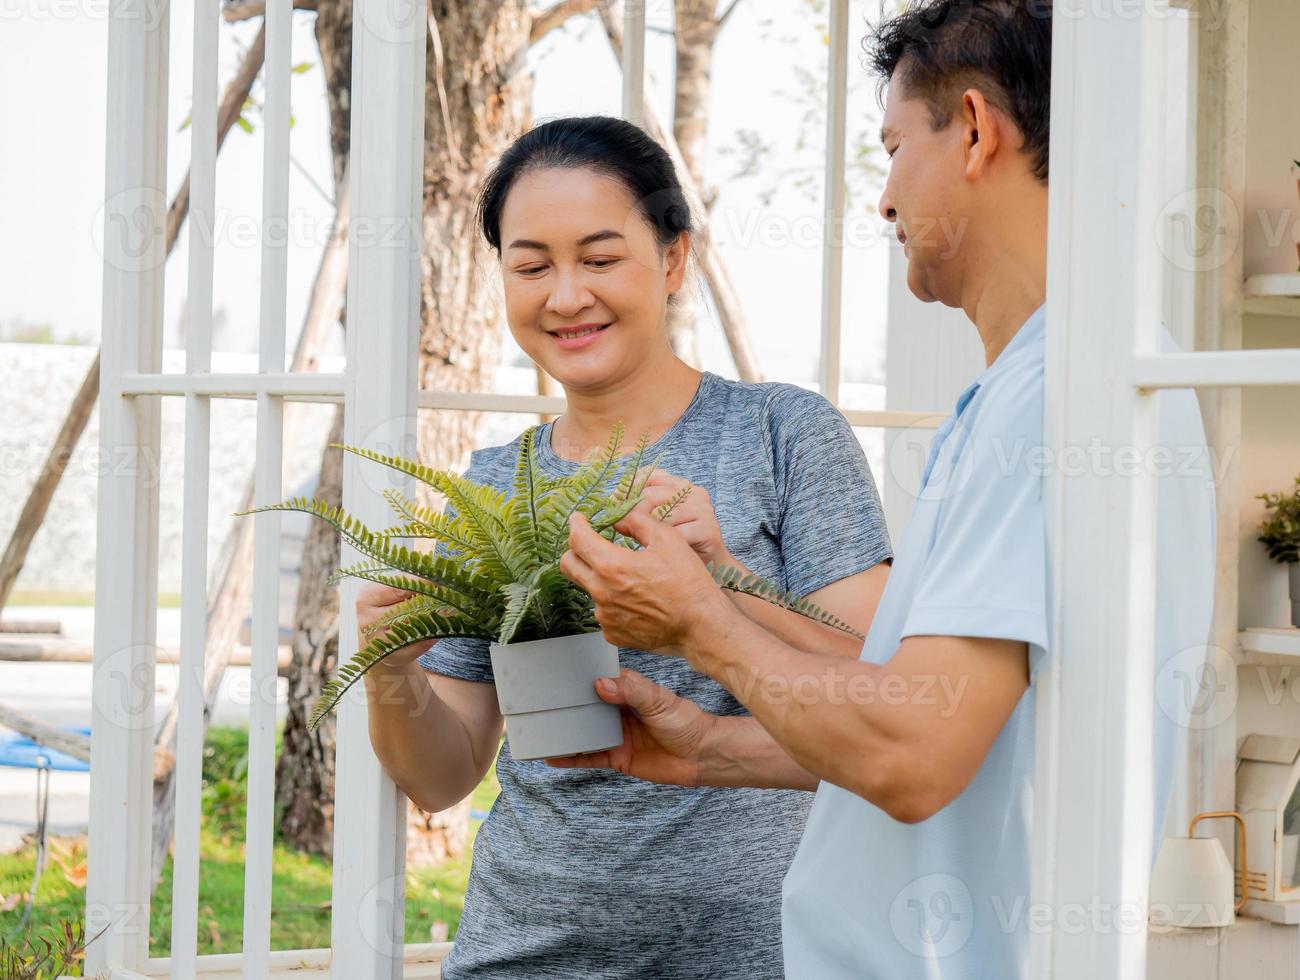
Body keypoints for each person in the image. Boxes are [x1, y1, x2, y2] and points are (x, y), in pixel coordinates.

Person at [554, 2, 1217, 977]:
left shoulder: (1055, 403)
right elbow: (941, 700)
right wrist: (705, 736)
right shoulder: (1052, 382)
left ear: (978, 132)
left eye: (896, 147)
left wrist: (701, 625)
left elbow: (913, 752)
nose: (883, 199)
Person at [355, 115, 893, 978]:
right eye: (532, 266)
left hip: (761, 951)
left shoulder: (781, 434)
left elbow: (879, 686)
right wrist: (390, 671)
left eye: (600, 259)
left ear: (674, 260)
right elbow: (443, 777)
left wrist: (720, 581)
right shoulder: (497, 486)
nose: (566, 296)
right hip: (525, 951)